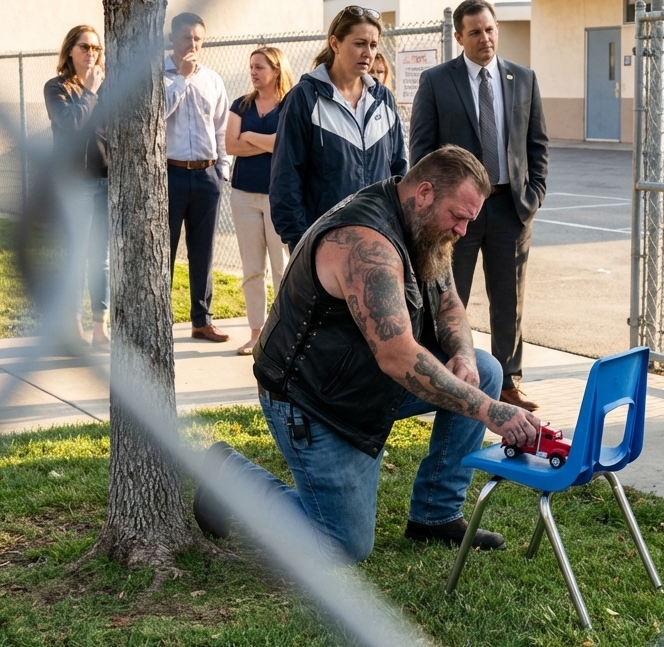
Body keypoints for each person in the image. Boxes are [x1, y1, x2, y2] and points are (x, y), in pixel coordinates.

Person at [193, 146, 541, 562]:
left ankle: (436, 514)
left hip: (362, 382)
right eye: (459, 217)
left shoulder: (423, 224)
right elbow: (397, 356)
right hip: (311, 400)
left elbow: (449, 305)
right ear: (425, 192)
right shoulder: (365, 244)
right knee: (342, 544)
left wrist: (463, 355)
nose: (464, 231)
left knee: (483, 368)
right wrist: (490, 411)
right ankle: (228, 476)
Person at [409, 0, 548, 412]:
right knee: (450, 298)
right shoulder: (436, 81)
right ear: (459, 37)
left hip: (510, 208)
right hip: (455, 215)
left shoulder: (522, 78)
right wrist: (433, 209)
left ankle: (507, 382)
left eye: (490, 30)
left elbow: (537, 143)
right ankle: (447, 379)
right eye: (475, 32)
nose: (485, 38)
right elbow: (422, 151)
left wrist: (534, 193)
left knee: (510, 301)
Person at [269, 7, 407, 253]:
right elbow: (286, 178)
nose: (368, 53)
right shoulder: (304, 97)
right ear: (335, 43)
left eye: (374, 45)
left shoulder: (383, 98)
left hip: (380, 240)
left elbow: (399, 170)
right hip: (323, 244)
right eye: (359, 43)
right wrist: (301, 242)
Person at [164, 12, 231, 343]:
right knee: (165, 250)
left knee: (202, 251)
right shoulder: (158, 76)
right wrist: (181, 79)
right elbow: (158, 113)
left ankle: (201, 320)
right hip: (171, 174)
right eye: (186, 37)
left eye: (198, 39)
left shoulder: (213, 79)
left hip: (207, 175)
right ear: (172, 39)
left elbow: (221, 128)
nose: (192, 44)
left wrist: (223, 170)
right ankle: (159, 319)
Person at [43, 24, 109, 352]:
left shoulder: (106, 87)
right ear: (70, 50)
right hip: (74, 184)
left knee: (101, 259)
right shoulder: (55, 88)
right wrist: (90, 93)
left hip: (105, 181)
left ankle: (100, 329)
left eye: (95, 48)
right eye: (84, 47)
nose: (90, 53)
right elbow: (70, 123)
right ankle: (74, 328)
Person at [227, 46, 294, 356]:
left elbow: (286, 144)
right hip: (243, 195)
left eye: (260, 68)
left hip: (278, 196)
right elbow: (230, 145)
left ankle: (281, 334)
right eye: (251, 67)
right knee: (253, 269)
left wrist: (249, 136)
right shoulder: (240, 105)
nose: (253, 72)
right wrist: (266, 142)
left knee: (282, 269)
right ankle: (256, 333)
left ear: (276, 70)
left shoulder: (291, 104)